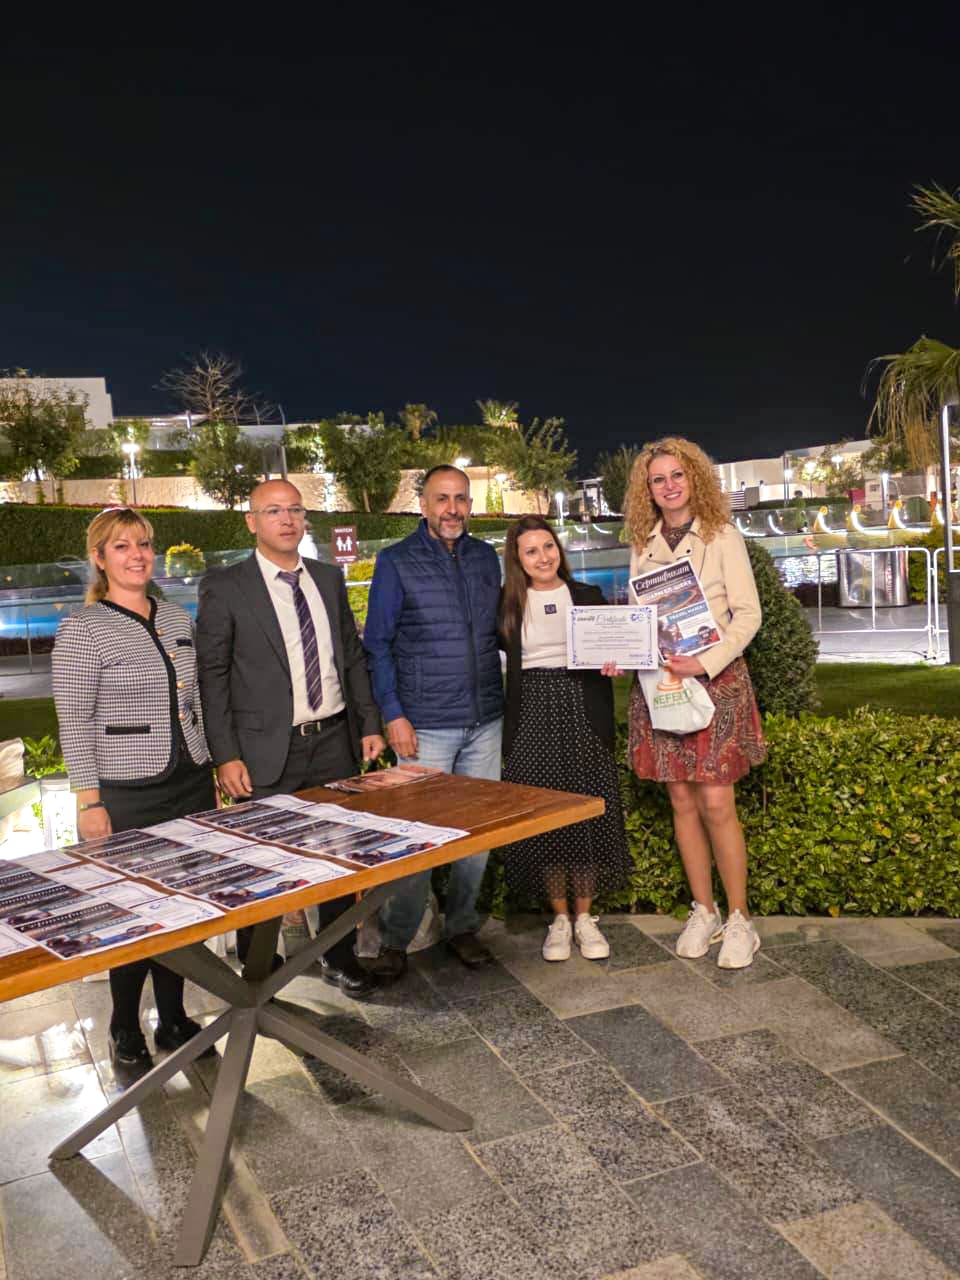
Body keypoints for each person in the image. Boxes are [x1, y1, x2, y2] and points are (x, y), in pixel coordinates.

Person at [196, 479, 386, 997]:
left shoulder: (327, 578)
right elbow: (212, 676)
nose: (287, 519)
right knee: (262, 861)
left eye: (295, 510)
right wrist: (225, 755)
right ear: (251, 522)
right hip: (263, 750)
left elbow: (350, 654)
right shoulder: (226, 587)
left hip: (333, 741)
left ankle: (338, 957)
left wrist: (369, 722)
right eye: (273, 510)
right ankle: (259, 966)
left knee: (338, 858)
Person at [52, 507, 219, 1069]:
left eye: (143, 544)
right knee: (131, 912)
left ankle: (172, 1018)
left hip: (189, 780)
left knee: (183, 904)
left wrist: (213, 766)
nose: (137, 555)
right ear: (99, 559)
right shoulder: (83, 628)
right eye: (121, 546)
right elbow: (74, 722)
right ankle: (124, 1025)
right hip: (127, 790)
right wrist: (89, 801)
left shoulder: (174, 617)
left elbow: (194, 701)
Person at [624, 437, 766, 969]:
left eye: (677, 475)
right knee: (682, 801)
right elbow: (640, 618)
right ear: (648, 489)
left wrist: (704, 662)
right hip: (661, 685)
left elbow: (748, 615)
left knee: (717, 804)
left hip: (715, 682)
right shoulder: (642, 543)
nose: (669, 486)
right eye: (658, 479)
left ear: (694, 478)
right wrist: (623, 652)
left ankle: (740, 919)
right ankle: (703, 910)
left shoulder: (722, 535)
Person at [362, 464, 503, 978]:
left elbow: (502, 629)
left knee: (476, 836)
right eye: (442, 499)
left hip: (485, 719)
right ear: (422, 505)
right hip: (425, 725)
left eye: (461, 499)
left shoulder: (485, 558)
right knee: (415, 838)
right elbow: (377, 644)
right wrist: (393, 713)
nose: (452, 509)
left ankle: (462, 926)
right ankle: (397, 940)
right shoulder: (396, 561)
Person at [498, 516, 631, 961]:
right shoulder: (507, 603)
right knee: (547, 818)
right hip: (532, 716)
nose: (543, 557)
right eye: (531, 551)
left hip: (583, 709)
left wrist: (615, 661)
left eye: (548, 546)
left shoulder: (587, 596)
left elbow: (616, 650)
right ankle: (559, 919)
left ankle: (585, 917)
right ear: (518, 559)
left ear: (559, 548)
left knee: (585, 812)